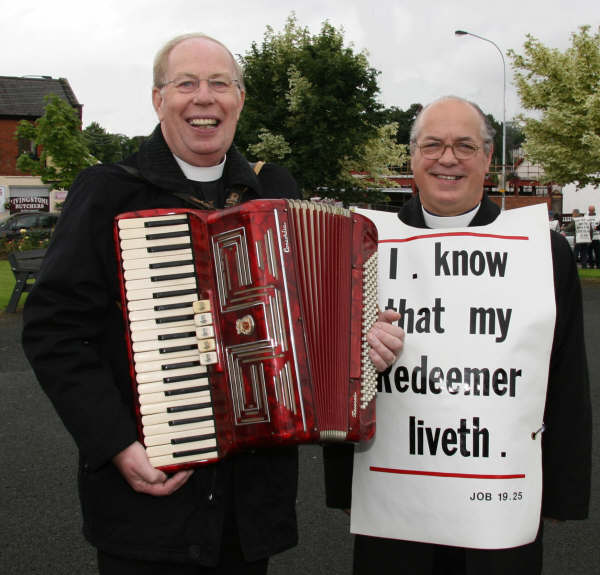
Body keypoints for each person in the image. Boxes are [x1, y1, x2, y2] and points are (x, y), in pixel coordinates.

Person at [21, 33, 403, 574]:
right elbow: (53, 331)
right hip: (150, 502)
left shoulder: (273, 191)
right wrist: (116, 444)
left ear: (240, 100)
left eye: (220, 84)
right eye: (186, 84)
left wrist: (363, 341)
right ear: (159, 99)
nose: (205, 98)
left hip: (251, 511)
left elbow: (314, 322)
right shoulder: (109, 192)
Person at [323, 96, 591, 575]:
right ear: (412, 157)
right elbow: (336, 369)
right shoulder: (362, 245)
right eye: (433, 145)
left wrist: (557, 492)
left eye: (465, 146)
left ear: (489, 159)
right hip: (394, 499)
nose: (448, 159)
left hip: (499, 500)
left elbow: (566, 376)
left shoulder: (543, 252)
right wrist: (346, 486)